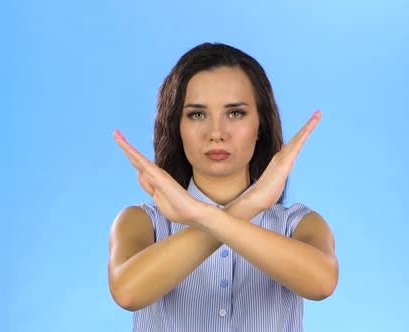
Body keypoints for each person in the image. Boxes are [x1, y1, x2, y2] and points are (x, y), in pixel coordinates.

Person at [108, 43, 339, 331]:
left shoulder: (299, 224)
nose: (216, 133)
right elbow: (128, 291)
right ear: (176, 127)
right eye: (197, 114)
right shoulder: (143, 222)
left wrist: (198, 215)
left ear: (260, 127)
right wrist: (248, 205)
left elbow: (322, 282)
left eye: (235, 113)